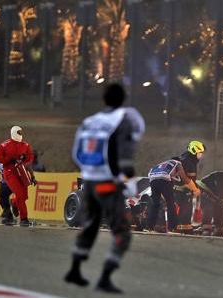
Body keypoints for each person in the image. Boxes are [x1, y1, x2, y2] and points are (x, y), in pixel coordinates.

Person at [64, 83, 145, 293]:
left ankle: (74, 270)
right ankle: (105, 277)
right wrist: (128, 180)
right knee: (122, 232)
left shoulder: (88, 122)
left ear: (104, 99)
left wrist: (91, 172)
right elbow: (124, 156)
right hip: (108, 183)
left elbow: (75, 154)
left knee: (90, 225)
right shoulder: (123, 121)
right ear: (123, 100)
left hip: (88, 181)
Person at [0, 126, 35, 227]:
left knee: (24, 196)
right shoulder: (4, 145)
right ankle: (24, 218)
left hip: (22, 171)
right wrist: (8, 159)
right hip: (9, 172)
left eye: (21, 132)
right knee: (19, 193)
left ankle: (14, 202)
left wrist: (25, 158)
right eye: (18, 132)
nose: (20, 134)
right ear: (13, 132)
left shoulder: (26, 145)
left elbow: (30, 158)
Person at [146, 158, 201, 233]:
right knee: (171, 204)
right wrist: (195, 189)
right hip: (164, 179)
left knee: (155, 204)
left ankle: (149, 227)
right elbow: (185, 179)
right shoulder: (177, 163)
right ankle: (172, 228)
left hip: (152, 179)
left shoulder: (162, 165)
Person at [173, 140, 206, 234]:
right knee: (186, 209)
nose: (201, 155)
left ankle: (178, 226)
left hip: (175, 189)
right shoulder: (190, 162)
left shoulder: (182, 158)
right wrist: (195, 190)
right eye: (200, 153)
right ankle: (185, 229)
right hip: (184, 191)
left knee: (179, 209)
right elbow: (189, 180)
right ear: (195, 151)